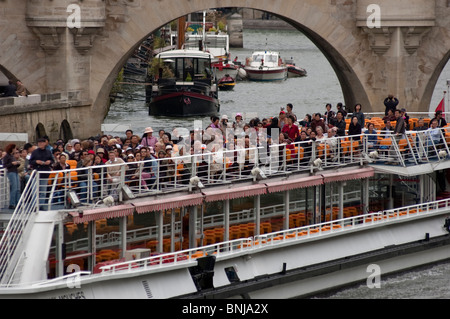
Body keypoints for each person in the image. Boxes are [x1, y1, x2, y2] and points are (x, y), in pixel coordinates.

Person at [29, 138, 55, 209]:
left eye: (42, 143)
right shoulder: (35, 152)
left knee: (43, 191)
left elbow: (52, 160)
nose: (40, 144)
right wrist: (36, 162)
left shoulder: (48, 152)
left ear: (44, 143)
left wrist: (49, 162)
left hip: (45, 173)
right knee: (35, 190)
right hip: (37, 173)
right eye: (39, 143)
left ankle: (41, 205)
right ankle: (34, 205)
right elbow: (30, 162)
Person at [3, 144, 20, 209]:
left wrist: (17, 163)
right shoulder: (7, 156)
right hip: (11, 172)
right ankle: (12, 203)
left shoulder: (11, 156)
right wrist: (12, 163)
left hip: (15, 171)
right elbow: (5, 165)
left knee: (18, 188)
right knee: (14, 188)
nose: (15, 149)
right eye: (14, 148)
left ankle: (17, 203)